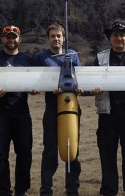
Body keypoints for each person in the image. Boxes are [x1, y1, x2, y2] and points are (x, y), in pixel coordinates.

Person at [91, 20, 125, 196]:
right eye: (115, 35)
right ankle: (108, 190)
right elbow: (91, 81)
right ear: (110, 38)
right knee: (107, 152)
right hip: (108, 112)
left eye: (122, 35)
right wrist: (94, 88)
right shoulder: (100, 57)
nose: (119, 38)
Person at [0, 25, 36, 196]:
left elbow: (34, 81)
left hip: (21, 113)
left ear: (20, 39)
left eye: (14, 37)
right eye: (8, 37)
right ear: (3, 39)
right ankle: (4, 191)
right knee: (0, 155)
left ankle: (22, 190)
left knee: (25, 153)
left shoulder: (27, 59)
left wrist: (34, 88)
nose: (11, 40)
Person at [34, 23, 82, 196]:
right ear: (48, 39)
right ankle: (46, 190)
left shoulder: (73, 55)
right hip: (52, 108)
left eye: (58, 36)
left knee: (73, 148)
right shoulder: (41, 57)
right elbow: (35, 82)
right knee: (50, 150)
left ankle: (72, 189)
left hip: (72, 107)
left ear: (64, 38)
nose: (56, 39)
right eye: (52, 36)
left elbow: (80, 78)